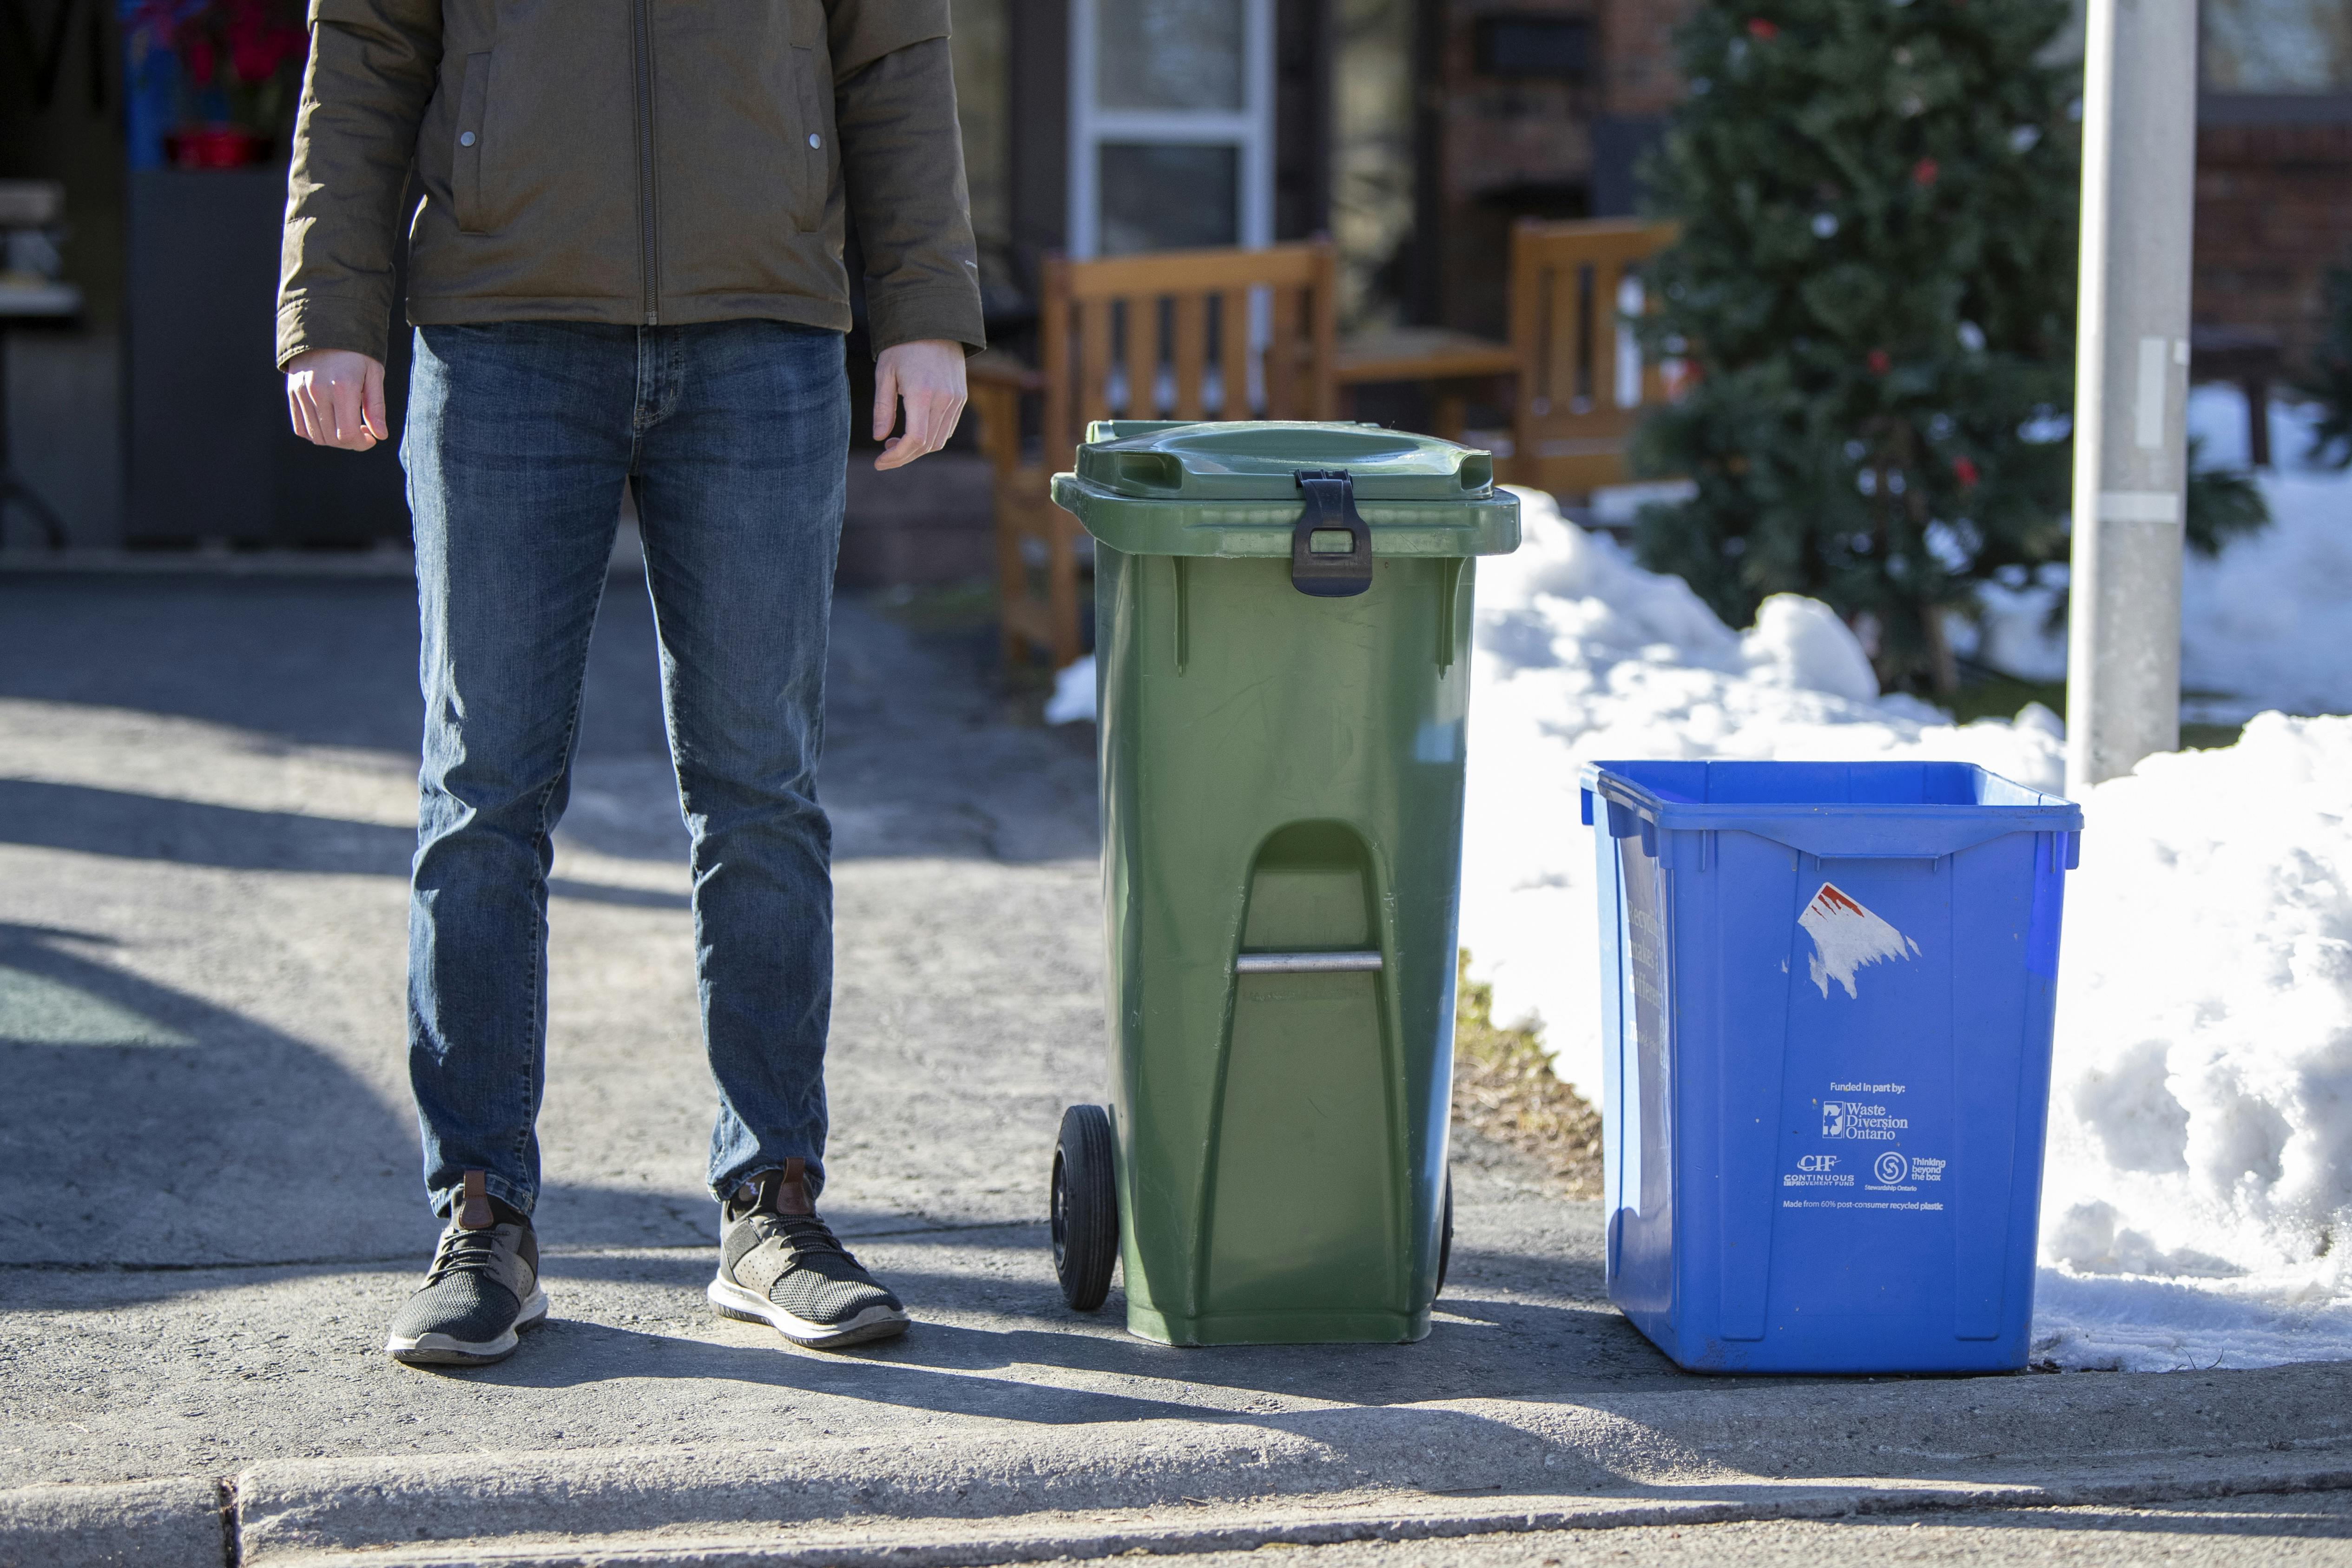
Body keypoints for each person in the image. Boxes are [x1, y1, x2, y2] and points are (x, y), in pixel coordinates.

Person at [275, 0, 982, 1366]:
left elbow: (893, 51)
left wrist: (926, 308)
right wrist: (329, 305)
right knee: (482, 792)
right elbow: (363, 48)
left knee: (761, 788)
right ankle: (483, 1217)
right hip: (500, 331)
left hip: (765, 329)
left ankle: (773, 1206)